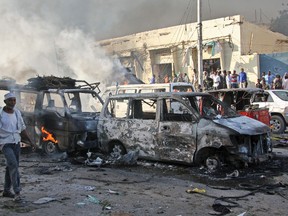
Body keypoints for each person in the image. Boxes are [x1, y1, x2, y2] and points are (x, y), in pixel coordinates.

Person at [0, 92, 35, 202]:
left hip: (16, 142)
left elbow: (22, 129)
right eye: (10, 100)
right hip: (5, 143)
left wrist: (31, 141)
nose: (13, 102)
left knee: (10, 166)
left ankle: (6, 190)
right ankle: (17, 192)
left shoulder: (17, 113)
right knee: (13, 165)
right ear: (5, 102)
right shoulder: (1, 114)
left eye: (14, 100)